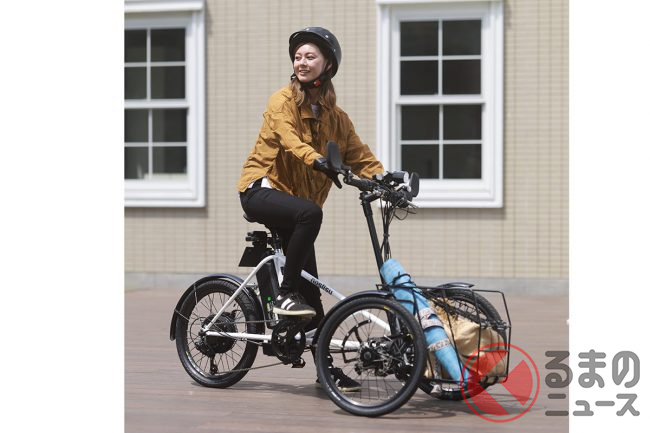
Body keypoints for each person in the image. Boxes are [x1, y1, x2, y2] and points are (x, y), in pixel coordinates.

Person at [237, 27, 384, 391]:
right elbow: (289, 139)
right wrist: (317, 159)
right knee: (310, 215)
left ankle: (324, 372)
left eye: (310, 57)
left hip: (297, 207)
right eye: (298, 57)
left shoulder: (337, 118)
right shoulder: (282, 101)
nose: (301, 62)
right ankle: (284, 294)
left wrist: (385, 179)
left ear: (327, 64)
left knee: (314, 301)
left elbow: (360, 156)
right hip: (261, 189)